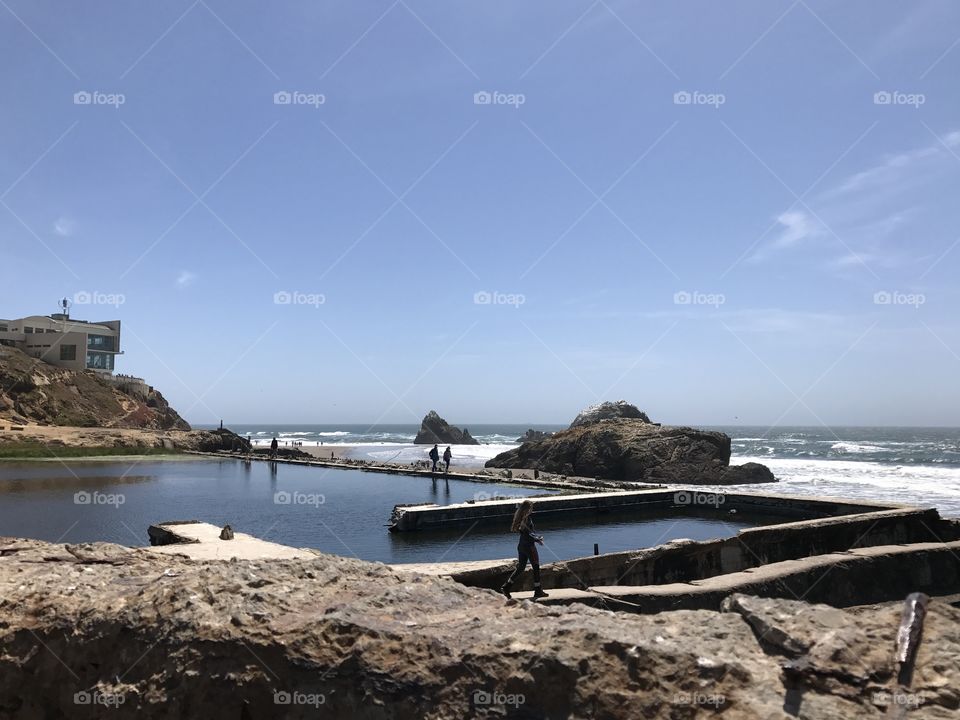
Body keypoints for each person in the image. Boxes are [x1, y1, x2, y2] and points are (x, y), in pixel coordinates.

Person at [500, 500, 548, 600]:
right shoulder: (527, 519)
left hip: (521, 546)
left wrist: (537, 538)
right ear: (528, 508)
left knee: (521, 568)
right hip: (529, 547)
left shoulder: (520, 519)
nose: (532, 509)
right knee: (536, 567)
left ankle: (506, 587)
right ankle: (538, 590)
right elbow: (528, 534)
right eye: (531, 508)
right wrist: (537, 539)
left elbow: (527, 533)